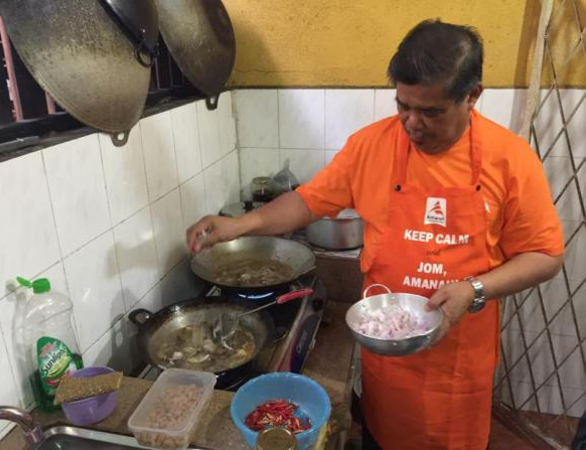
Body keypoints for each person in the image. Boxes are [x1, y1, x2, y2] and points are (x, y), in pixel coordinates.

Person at [186, 19, 565, 450]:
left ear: (472, 96)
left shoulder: (511, 159)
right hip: (389, 357)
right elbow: (309, 201)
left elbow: (545, 255)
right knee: (383, 438)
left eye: (431, 111)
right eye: (403, 105)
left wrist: (474, 289)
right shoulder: (371, 146)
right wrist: (238, 226)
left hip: (459, 361)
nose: (412, 123)